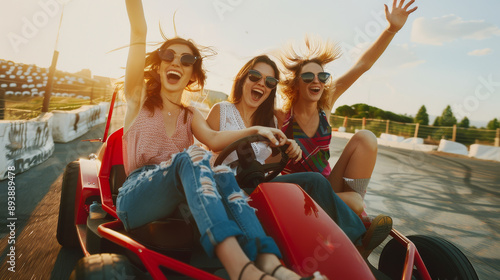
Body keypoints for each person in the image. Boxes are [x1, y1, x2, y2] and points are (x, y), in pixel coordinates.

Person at [116, 1, 327, 279]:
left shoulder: (190, 114)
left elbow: (215, 139)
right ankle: (242, 269)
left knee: (223, 174)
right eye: (169, 55)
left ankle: (272, 265)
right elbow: (138, 32)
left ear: (192, 74)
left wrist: (256, 131)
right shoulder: (137, 98)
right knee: (193, 157)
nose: (177, 62)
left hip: (180, 196)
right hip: (137, 194)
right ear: (158, 66)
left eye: (187, 60)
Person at [206, 55, 389, 259]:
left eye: (269, 81)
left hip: (258, 186)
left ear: (272, 89)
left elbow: (269, 166)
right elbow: (211, 143)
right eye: (255, 76)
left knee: (315, 181)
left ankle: (359, 238)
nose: (261, 83)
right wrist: (252, 133)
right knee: (316, 190)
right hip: (229, 188)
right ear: (242, 79)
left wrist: (289, 148)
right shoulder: (221, 110)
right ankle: (356, 235)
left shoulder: (271, 122)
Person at [277, 0, 418, 215]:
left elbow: (362, 66)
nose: (317, 81)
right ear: (296, 83)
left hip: (326, 186)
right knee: (352, 203)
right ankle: (351, 210)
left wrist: (391, 29)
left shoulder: (326, 104)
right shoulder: (280, 116)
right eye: (308, 76)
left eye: (322, 76)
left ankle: (352, 210)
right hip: (295, 189)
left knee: (366, 138)